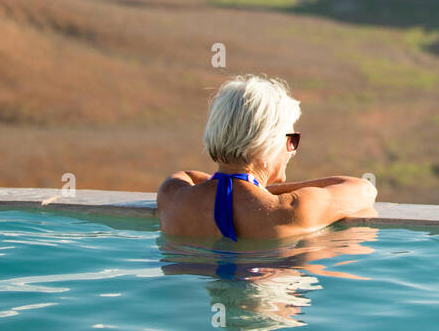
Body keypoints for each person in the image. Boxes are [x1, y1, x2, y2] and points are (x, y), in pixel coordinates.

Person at [157, 74, 376, 240]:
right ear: (266, 144)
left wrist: (244, 188)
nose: (293, 150)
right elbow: (364, 189)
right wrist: (263, 191)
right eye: (291, 139)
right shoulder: (292, 209)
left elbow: (188, 176)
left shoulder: (172, 197)